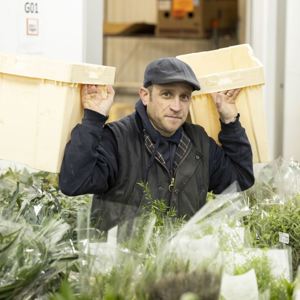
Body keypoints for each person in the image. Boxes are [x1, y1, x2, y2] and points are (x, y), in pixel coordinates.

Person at [59, 57, 254, 232]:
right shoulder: (117, 139)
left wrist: (230, 120)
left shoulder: (199, 142)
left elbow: (240, 180)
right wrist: (93, 119)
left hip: (180, 267)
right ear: (145, 95)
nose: (176, 107)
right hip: (123, 269)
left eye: (184, 97)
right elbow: (74, 183)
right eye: (167, 94)